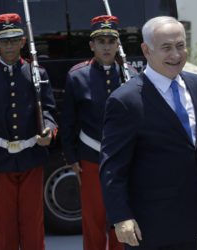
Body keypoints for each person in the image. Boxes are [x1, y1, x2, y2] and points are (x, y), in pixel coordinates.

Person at [99, 16, 197, 249]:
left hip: (192, 219)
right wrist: (121, 216)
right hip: (147, 225)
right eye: (166, 48)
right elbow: (112, 166)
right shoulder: (126, 100)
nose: (176, 55)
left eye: (180, 46)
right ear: (146, 50)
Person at [60, 15, 130, 250]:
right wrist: (71, 157)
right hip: (91, 157)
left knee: (122, 219)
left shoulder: (129, 75)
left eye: (111, 40)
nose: (107, 46)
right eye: (101, 41)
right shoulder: (77, 76)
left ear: (118, 44)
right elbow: (68, 120)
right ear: (92, 45)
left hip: (124, 158)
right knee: (94, 220)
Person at [0, 13, 57, 250]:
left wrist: (49, 131)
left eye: (14, 40)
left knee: (33, 223)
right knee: (4, 226)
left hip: (31, 157)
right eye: (4, 40)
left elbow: (49, 111)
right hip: (0, 160)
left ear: (22, 42)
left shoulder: (37, 74)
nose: (9, 45)